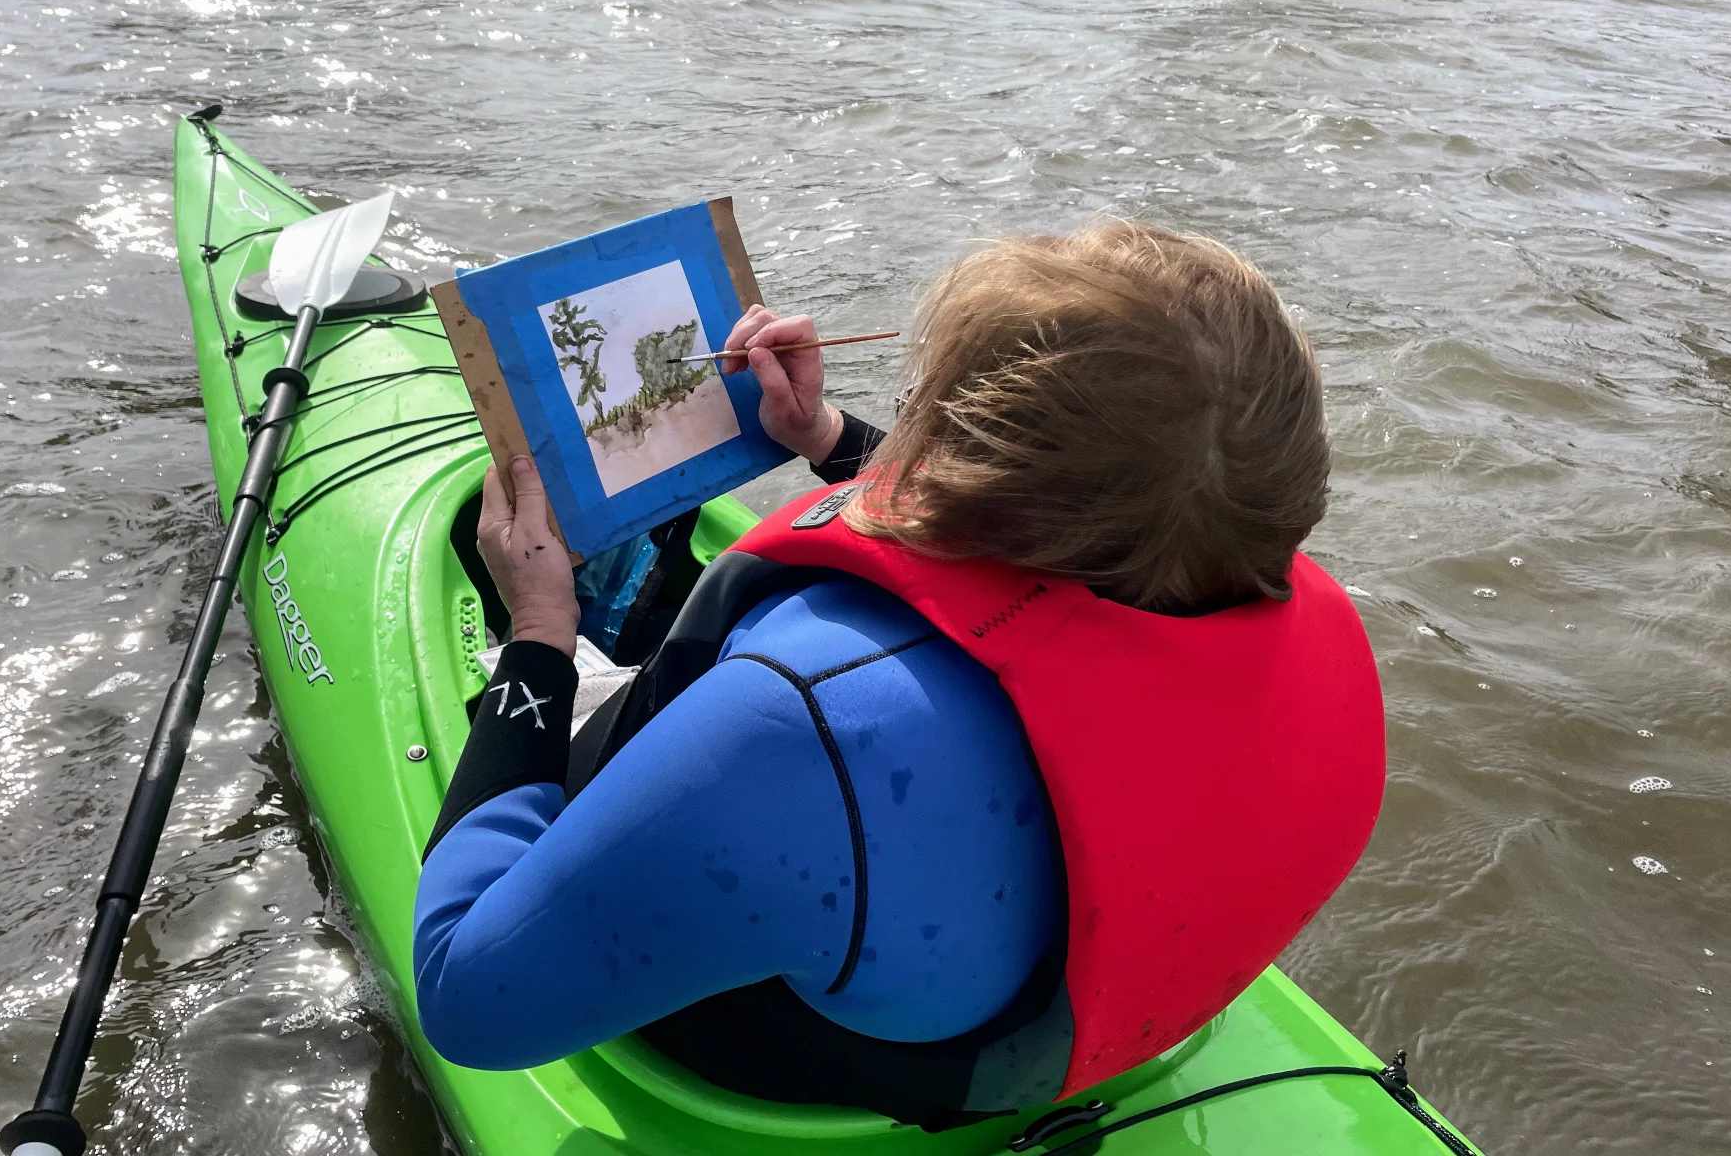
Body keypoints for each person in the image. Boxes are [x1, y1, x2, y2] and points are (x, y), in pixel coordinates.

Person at [412, 221, 1386, 1128]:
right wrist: (831, 438)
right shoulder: (1284, 600)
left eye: (926, 403)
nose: (914, 415)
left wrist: (541, 628)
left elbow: (463, 1000)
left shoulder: (800, 724)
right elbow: (1074, 562)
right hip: (1090, 1014)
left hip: (835, 1057)